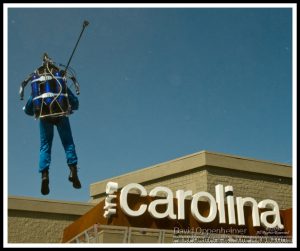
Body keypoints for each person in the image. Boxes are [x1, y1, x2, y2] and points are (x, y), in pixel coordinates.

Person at [20, 53, 82, 195]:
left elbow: (29, 109)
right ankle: (73, 171)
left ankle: (45, 176)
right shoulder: (60, 81)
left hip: (44, 118)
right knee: (68, 144)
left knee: (45, 147)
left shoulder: (38, 84)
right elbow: (75, 103)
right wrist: (69, 108)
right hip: (61, 115)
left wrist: (39, 111)